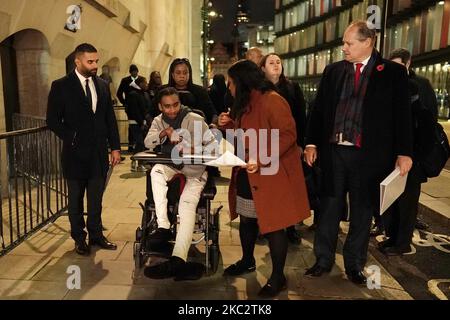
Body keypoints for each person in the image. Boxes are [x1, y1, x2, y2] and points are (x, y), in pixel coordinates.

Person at [304, 21, 413, 285]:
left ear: (368, 42)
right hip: (333, 152)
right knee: (329, 207)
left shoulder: (392, 73)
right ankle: (323, 259)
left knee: (363, 211)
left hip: (369, 156)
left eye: (349, 43)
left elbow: (403, 116)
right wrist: (311, 143)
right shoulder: (333, 71)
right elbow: (318, 110)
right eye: (344, 42)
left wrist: (404, 152)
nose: (344, 48)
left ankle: (354, 264)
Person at [219, 60, 310, 298]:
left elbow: (288, 135)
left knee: (274, 227)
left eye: (231, 83)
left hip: (272, 175)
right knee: (248, 220)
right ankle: (247, 260)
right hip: (249, 173)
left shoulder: (272, 100)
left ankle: (278, 277)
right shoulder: (244, 103)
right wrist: (227, 127)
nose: (229, 88)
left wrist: (261, 157)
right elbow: (243, 137)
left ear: (242, 82)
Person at [46, 43, 121, 256]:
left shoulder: (103, 85)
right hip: (74, 154)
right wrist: (73, 137)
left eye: (96, 61)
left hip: (98, 154)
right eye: (90, 61)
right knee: (76, 199)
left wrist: (115, 147)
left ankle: (96, 235)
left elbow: (109, 119)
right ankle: (79, 238)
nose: (95, 65)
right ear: (77, 61)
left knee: (96, 198)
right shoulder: (61, 86)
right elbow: (52, 120)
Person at [143, 87, 217, 279]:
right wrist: (162, 134)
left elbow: (214, 148)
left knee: (186, 206)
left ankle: (178, 259)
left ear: (180, 102)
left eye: (175, 104)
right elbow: (147, 142)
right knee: (156, 171)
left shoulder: (195, 119)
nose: (172, 110)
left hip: (195, 171)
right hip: (171, 166)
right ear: (160, 106)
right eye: (167, 106)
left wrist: (192, 147)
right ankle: (163, 226)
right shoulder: (158, 121)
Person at [378, 48, 435, 255]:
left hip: (413, 156)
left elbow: (429, 121)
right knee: (391, 199)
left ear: (408, 64)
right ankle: (391, 237)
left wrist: (416, 156)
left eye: (398, 65)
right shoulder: (389, 84)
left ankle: (402, 243)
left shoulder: (421, 85)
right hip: (390, 155)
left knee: (407, 203)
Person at [259, 53, 307, 244]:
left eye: (278, 62)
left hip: (289, 145)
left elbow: (301, 116)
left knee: (289, 188)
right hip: (266, 145)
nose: (276, 65)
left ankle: (291, 227)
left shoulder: (291, 87)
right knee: (270, 189)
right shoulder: (260, 89)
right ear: (262, 68)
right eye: (271, 62)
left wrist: (301, 143)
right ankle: (268, 225)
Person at [156, 58, 217, 125]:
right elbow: (151, 114)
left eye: (185, 73)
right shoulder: (162, 91)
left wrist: (212, 124)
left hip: (196, 129)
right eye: (178, 73)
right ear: (172, 75)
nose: (182, 76)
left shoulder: (200, 91)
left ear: (189, 74)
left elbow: (212, 113)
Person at [127, 77, 153, 171]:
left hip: (142, 122)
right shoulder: (133, 94)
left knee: (142, 144)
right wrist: (141, 122)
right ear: (140, 84)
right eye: (145, 83)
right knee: (140, 142)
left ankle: (139, 163)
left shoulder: (142, 94)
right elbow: (134, 110)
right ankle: (135, 161)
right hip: (135, 122)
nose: (147, 84)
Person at [117, 64, 141, 153]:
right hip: (130, 107)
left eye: (135, 71)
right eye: (133, 71)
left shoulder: (141, 80)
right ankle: (131, 145)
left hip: (140, 107)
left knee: (140, 125)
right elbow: (119, 93)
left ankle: (139, 145)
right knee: (131, 126)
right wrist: (125, 102)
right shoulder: (125, 80)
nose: (134, 73)